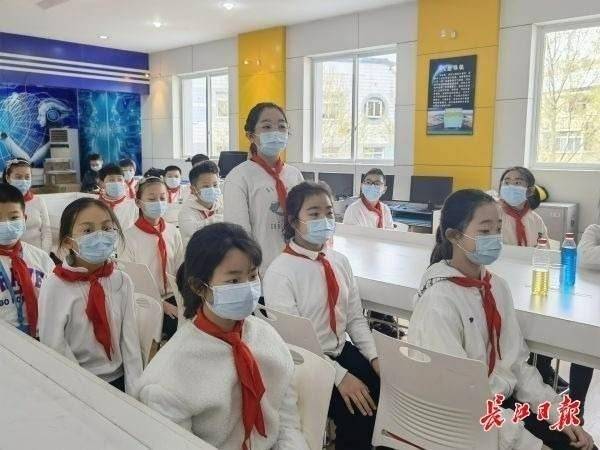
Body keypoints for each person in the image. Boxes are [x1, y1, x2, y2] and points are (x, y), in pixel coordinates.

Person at [408, 189, 595, 450]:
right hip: (466, 418)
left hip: (502, 404)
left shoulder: (497, 287)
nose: (494, 238)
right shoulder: (438, 301)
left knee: (582, 445)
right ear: (454, 235)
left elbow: (516, 363)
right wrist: (530, 445)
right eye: (485, 231)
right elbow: (459, 396)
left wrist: (556, 411)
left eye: (498, 229)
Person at [136, 222, 308, 450]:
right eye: (234, 281)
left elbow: (286, 420)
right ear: (199, 287)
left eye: (252, 275)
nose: (248, 288)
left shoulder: (266, 336)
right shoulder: (168, 379)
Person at [263, 181, 380, 450]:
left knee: (384, 392)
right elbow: (294, 341)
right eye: (314, 214)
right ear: (294, 221)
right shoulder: (280, 272)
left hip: (340, 349)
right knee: (359, 413)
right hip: (306, 361)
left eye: (328, 213)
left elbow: (354, 319)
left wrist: (375, 357)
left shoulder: (339, 261)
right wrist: (339, 376)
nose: (324, 220)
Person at [38, 198, 143, 393]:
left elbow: (130, 341)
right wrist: (84, 392)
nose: (100, 236)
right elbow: (54, 344)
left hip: (119, 378)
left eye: (107, 228)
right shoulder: (55, 285)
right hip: (77, 383)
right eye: (87, 231)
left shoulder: (122, 280)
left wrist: (134, 392)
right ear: (68, 241)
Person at [223, 102, 303, 275]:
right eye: (266, 126)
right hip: (263, 270)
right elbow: (239, 234)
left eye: (282, 126)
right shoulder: (239, 177)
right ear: (250, 136)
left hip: (297, 266)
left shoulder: (294, 175)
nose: (276, 132)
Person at [121, 177, 183, 340]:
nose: (158, 203)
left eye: (162, 198)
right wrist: (161, 305)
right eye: (151, 199)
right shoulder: (128, 237)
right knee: (178, 330)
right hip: (145, 301)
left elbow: (180, 268)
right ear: (138, 202)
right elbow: (131, 281)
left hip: (175, 296)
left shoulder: (172, 231)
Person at [0, 184, 54, 336]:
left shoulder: (41, 258)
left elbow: (56, 300)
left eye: (14, 217)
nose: (6, 224)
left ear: (24, 219)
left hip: (42, 337)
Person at [3, 158, 52, 253]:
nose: (23, 181)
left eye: (27, 177)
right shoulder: (2, 203)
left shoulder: (38, 201)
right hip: (12, 256)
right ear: (8, 178)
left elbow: (46, 232)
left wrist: (44, 255)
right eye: (18, 177)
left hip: (38, 254)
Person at [498, 167, 548, 247]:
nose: (511, 187)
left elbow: (545, 251)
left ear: (530, 191)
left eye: (517, 183)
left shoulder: (536, 220)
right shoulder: (493, 215)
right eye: (506, 182)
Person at [178, 161, 223, 246]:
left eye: (215, 185)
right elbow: (192, 230)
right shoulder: (186, 212)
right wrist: (218, 219)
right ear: (193, 189)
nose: (212, 189)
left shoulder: (222, 205)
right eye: (206, 186)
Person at [97, 164, 138, 231]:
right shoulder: (96, 205)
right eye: (111, 180)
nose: (116, 182)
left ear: (124, 182)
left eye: (120, 179)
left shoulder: (132, 205)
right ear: (102, 183)